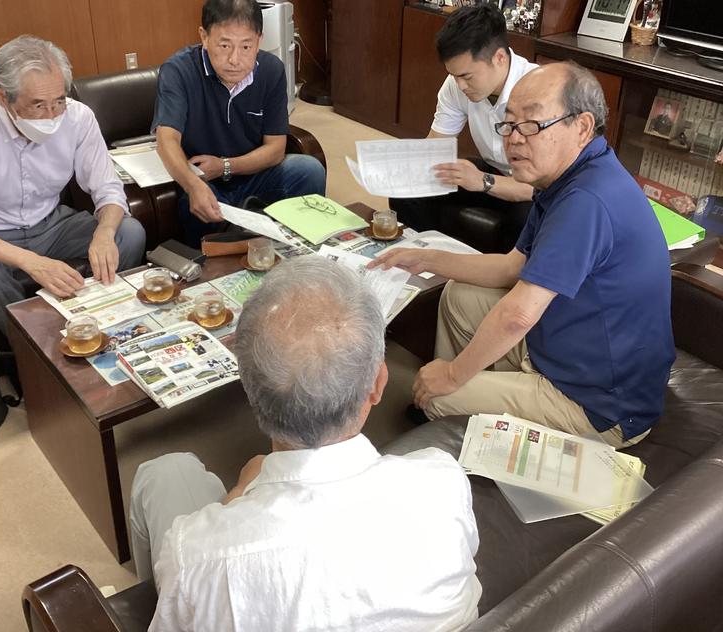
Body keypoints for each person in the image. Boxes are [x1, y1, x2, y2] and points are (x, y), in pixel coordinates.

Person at [129, 257, 481, 632]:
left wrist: (236, 496)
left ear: (249, 389)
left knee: (165, 472)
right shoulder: (443, 480)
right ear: (378, 385)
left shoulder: (195, 554)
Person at [370, 62, 675, 449]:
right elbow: (512, 267)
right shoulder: (567, 178)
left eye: (531, 124)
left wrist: (452, 377)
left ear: (582, 127)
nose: (513, 140)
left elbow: (518, 315)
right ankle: (458, 395)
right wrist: (427, 259)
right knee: (459, 297)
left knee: (444, 394)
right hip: (568, 348)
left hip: (601, 405)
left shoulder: (586, 200)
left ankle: (444, 401)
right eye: (509, 124)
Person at [0, 35, 145, 335]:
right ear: (1, 97)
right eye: (38, 106)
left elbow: (108, 189)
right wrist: (33, 262)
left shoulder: (78, 118)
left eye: (59, 101)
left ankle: (105, 321)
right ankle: (34, 345)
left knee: (129, 233)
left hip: (53, 226)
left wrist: (105, 233)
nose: (52, 116)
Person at [152, 0, 326, 247]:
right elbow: (166, 139)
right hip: (204, 181)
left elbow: (276, 148)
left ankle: (299, 252)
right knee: (198, 206)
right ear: (204, 36)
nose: (235, 59)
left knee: (309, 170)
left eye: (246, 46)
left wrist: (224, 166)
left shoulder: (271, 70)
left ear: (259, 40)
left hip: (254, 173)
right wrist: (192, 184)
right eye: (224, 45)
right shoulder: (178, 71)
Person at [390, 4, 538, 247]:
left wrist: (482, 180)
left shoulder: (538, 91)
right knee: (409, 189)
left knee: (526, 219)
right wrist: (403, 169)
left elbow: (537, 188)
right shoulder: (456, 85)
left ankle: (494, 272)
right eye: (454, 75)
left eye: (466, 77)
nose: (459, 85)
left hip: (533, 188)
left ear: (499, 58)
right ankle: (424, 256)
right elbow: (435, 146)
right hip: (494, 171)